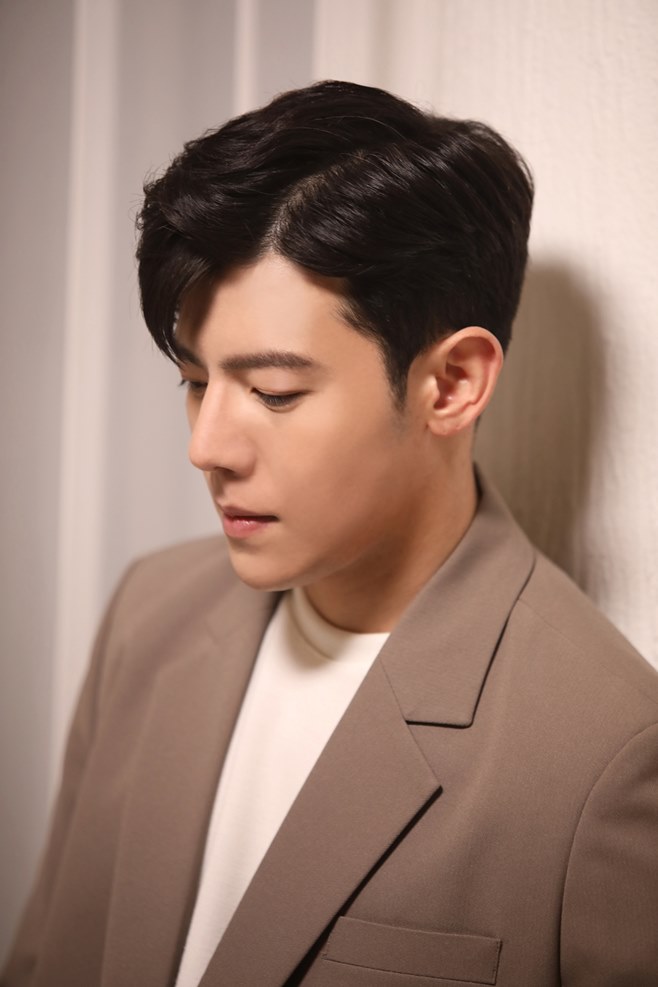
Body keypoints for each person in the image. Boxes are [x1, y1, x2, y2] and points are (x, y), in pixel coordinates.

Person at [3, 80, 657, 987]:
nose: (206, 447)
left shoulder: (604, 755)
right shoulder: (148, 613)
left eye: (274, 392)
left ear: (452, 383)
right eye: (195, 381)